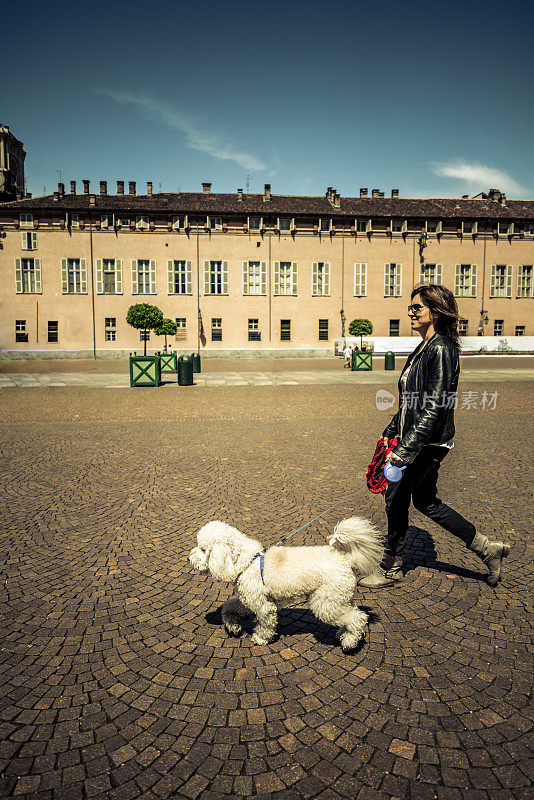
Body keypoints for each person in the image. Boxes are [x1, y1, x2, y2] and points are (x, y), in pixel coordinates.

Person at [359, 284, 511, 588]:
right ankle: (487, 548)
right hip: (420, 439)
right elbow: (410, 403)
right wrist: (391, 432)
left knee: (396, 498)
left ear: (436, 312)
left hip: (428, 444)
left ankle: (391, 566)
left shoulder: (440, 349)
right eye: (411, 307)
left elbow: (435, 406)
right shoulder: (424, 347)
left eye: (418, 307)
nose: (411, 312)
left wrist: (406, 449)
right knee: (426, 502)